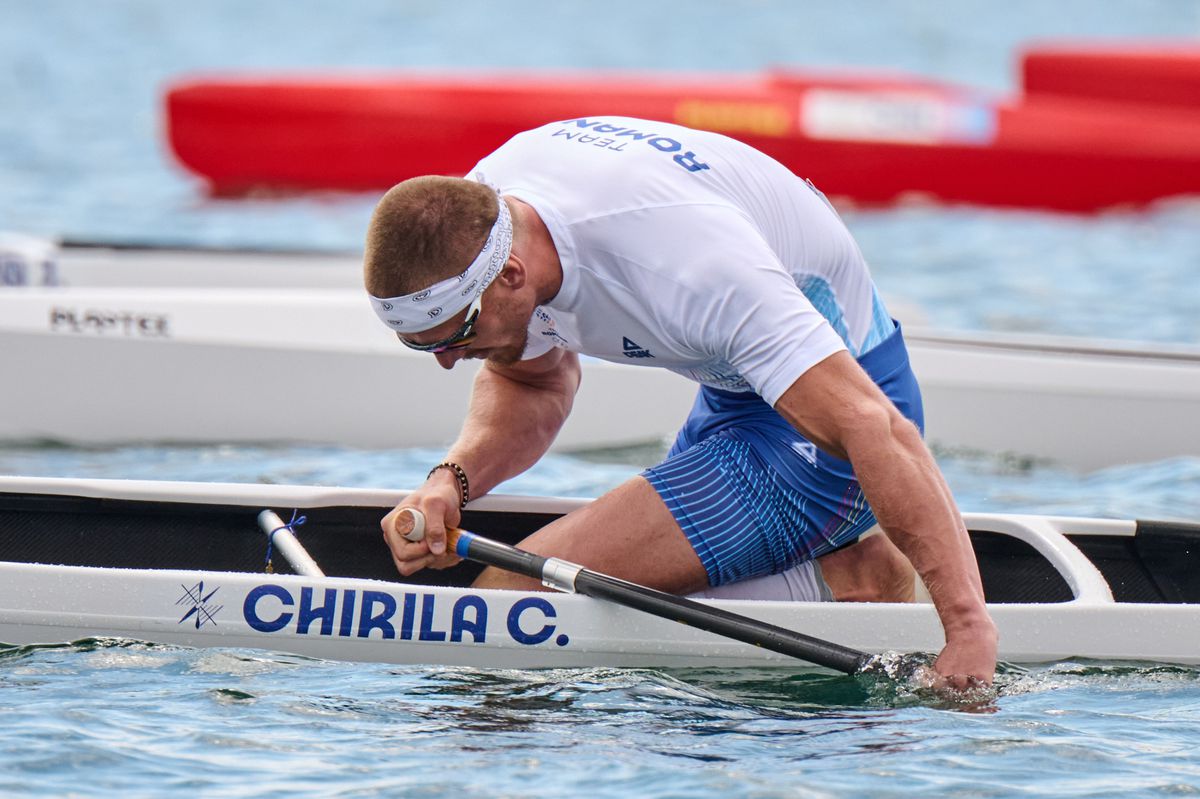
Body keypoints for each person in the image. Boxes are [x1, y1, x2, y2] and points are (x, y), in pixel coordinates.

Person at [362, 116, 997, 688]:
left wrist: (968, 631)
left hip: (844, 425)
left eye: (454, 335)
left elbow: (876, 430)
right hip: (736, 390)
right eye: (423, 345)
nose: (446, 359)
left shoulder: (687, 265)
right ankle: (850, 565)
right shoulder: (489, 216)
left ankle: (856, 570)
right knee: (583, 586)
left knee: (515, 598)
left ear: (511, 277)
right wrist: (453, 481)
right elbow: (534, 382)